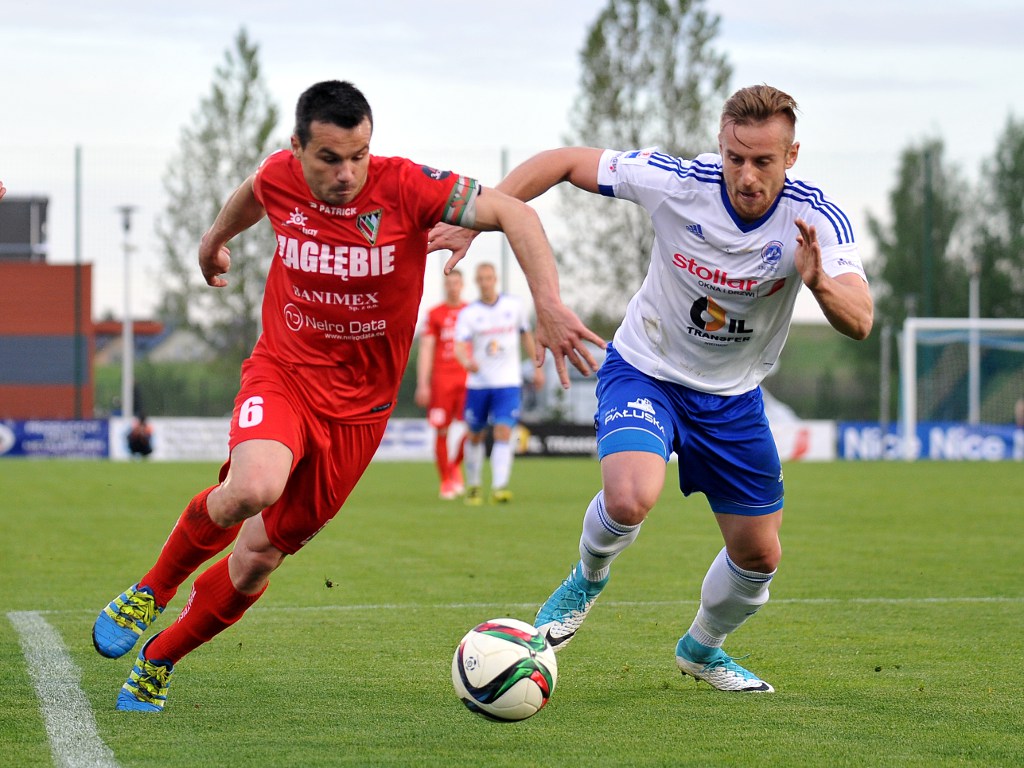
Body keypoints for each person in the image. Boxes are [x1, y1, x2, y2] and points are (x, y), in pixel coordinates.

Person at [91, 80, 603, 713]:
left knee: (257, 559)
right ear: (297, 148)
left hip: (360, 412)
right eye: (330, 158)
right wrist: (214, 238)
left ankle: (160, 657)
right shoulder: (280, 176)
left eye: (358, 156)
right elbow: (254, 191)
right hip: (284, 371)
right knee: (252, 487)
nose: (346, 173)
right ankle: (151, 589)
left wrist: (548, 304)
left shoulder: (410, 186)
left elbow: (517, 214)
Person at [429, 85, 873, 692]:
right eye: (735, 157)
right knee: (630, 496)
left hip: (733, 399)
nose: (746, 175)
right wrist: (481, 218)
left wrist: (818, 284)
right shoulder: (677, 182)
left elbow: (860, 320)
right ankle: (587, 578)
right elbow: (564, 161)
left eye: (763, 161)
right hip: (645, 369)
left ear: (791, 156)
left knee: (759, 558)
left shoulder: (816, 218)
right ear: (720, 146)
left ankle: (702, 650)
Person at [453, 262, 543, 505]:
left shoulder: (513, 306)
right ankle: (474, 485)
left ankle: (499, 487)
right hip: (479, 384)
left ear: (495, 280)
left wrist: (537, 367)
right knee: (475, 435)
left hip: (508, 383)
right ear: (476, 282)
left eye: (489, 278)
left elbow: (526, 336)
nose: (485, 283)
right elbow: (459, 345)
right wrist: (466, 361)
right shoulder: (469, 313)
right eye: (481, 279)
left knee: (503, 431)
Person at [414, 269, 468, 499]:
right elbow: (426, 348)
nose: (453, 287)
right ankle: (446, 480)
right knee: (442, 429)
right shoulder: (434, 314)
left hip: (468, 379)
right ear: (445, 286)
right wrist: (423, 383)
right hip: (442, 381)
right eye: (449, 283)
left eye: (457, 283)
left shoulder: (471, 312)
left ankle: (455, 465)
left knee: (473, 428)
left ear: (462, 285)